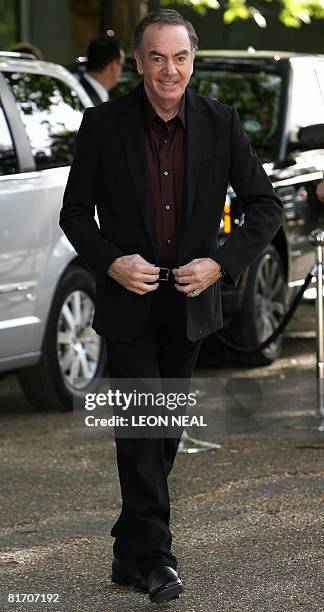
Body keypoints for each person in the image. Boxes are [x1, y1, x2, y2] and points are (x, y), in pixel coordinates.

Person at [59, 9, 283, 604]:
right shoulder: (103, 125)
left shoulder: (220, 123)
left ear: (193, 60)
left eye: (180, 57)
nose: (169, 70)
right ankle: (156, 558)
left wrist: (219, 264)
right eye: (157, 57)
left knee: (166, 434)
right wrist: (112, 262)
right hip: (129, 303)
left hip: (189, 303)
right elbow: (75, 214)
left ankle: (128, 549)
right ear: (138, 62)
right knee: (142, 427)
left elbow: (264, 207)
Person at [80, 35, 124, 105]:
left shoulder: (76, 91)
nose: (121, 71)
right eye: (121, 64)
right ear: (113, 65)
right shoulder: (80, 98)